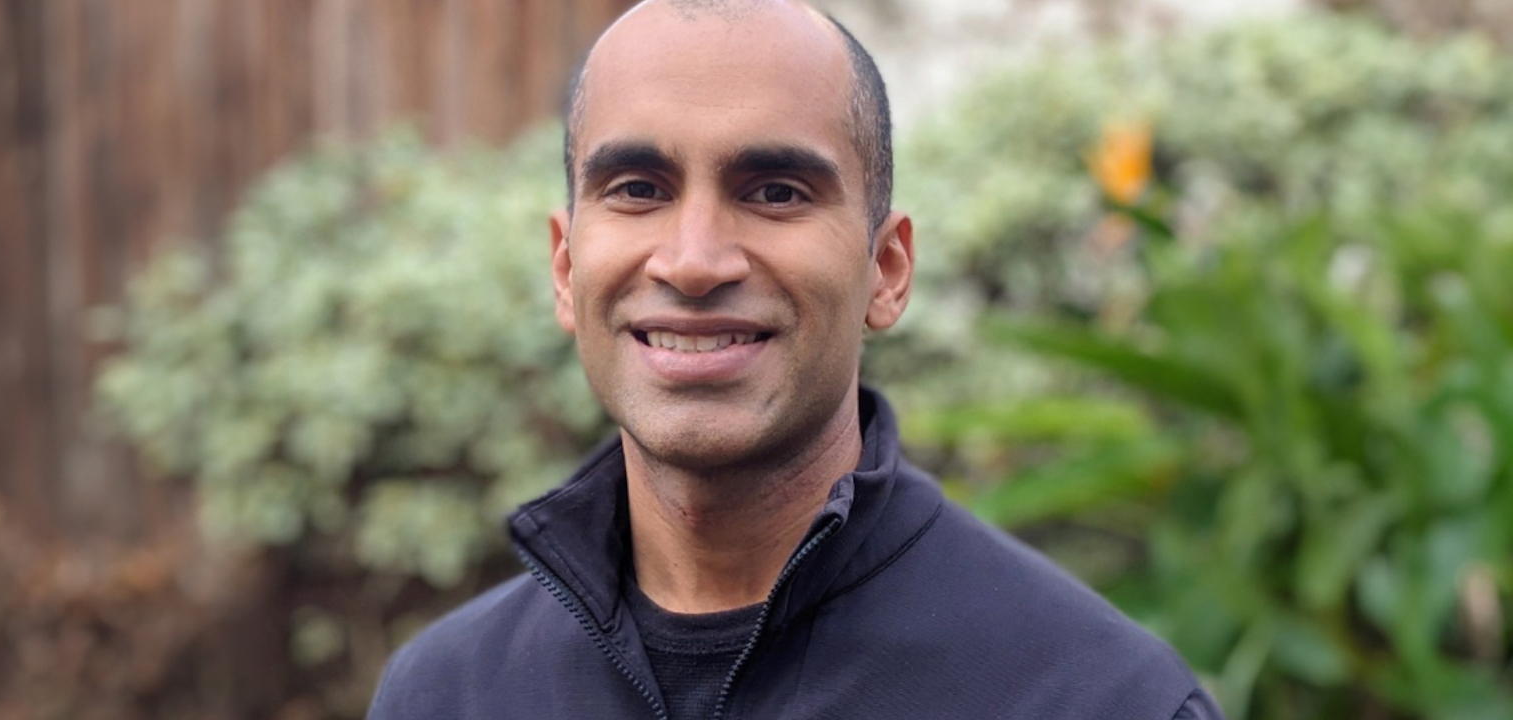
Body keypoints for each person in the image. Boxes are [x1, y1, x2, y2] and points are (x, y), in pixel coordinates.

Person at [368, 1, 1224, 718]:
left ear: (886, 270)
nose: (694, 260)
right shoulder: (446, 695)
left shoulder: (1098, 700)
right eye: (638, 189)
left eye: (775, 192)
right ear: (564, 268)